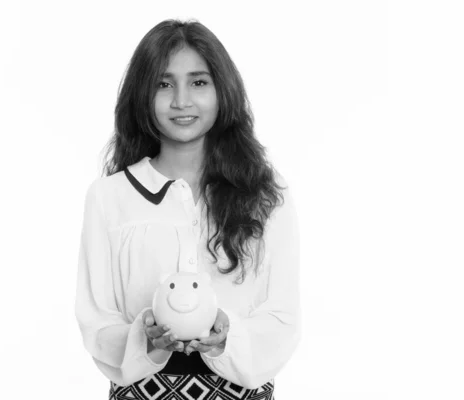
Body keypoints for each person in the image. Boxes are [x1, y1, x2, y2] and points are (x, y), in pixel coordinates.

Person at [75, 19, 300, 399]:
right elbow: (96, 319)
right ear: (142, 95)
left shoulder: (263, 193)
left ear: (223, 90)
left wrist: (226, 339)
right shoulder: (109, 197)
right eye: (164, 84)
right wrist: (145, 341)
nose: (181, 101)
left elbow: (283, 317)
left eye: (198, 82)